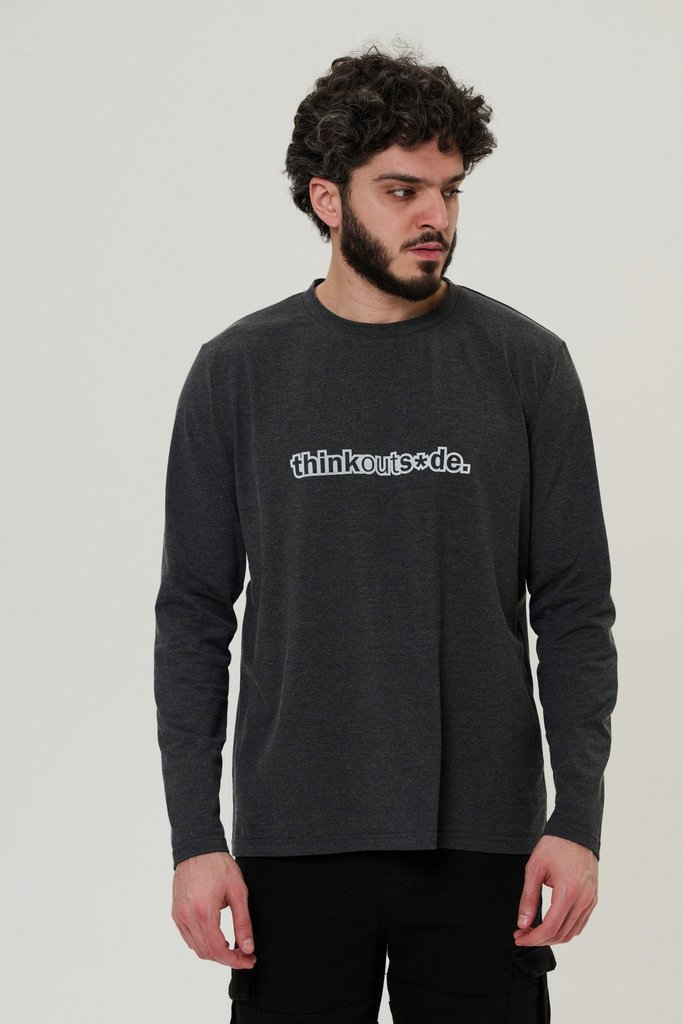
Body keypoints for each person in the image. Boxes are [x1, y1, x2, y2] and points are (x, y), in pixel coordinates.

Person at [154, 43, 618, 1023]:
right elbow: (194, 614)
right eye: (402, 190)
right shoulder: (237, 372)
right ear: (326, 198)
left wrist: (575, 819)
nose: (434, 217)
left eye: (448, 191)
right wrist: (195, 837)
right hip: (293, 839)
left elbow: (574, 607)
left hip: (485, 844)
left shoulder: (527, 365)